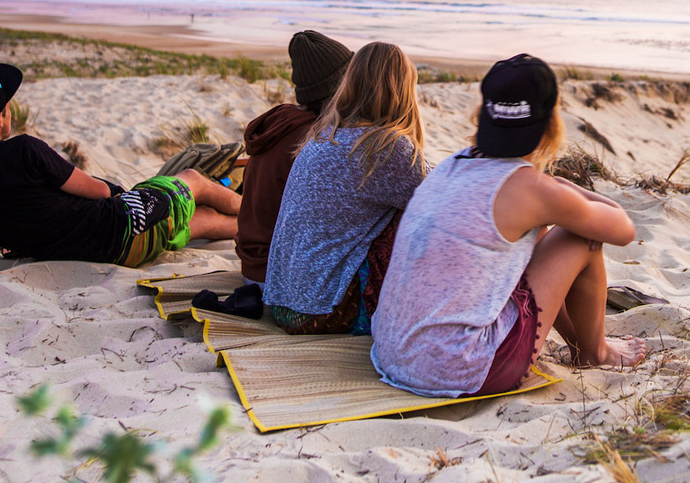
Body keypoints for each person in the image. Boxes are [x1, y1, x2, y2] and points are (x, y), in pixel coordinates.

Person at [371, 53, 648, 398]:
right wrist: (562, 188)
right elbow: (622, 229)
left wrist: (549, 192)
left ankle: (580, 343)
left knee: (538, 233)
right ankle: (595, 352)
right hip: (458, 369)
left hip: (392, 354)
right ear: (550, 124)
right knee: (580, 236)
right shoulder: (533, 190)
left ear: (483, 115)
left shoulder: (450, 167)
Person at [0, 63, 241, 266]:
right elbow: (99, 191)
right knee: (192, 179)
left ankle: (255, 225)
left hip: (97, 252)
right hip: (122, 231)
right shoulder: (23, 151)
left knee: (196, 223)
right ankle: (265, 211)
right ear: (2, 117)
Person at [263, 41, 426, 335]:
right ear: (402, 89)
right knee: (416, 218)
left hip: (282, 302)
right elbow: (436, 199)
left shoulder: (325, 134)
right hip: (322, 308)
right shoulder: (384, 146)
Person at [234, 30, 354, 282]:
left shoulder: (283, 123)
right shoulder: (313, 141)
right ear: (338, 87)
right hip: (277, 276)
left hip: (253, 266)